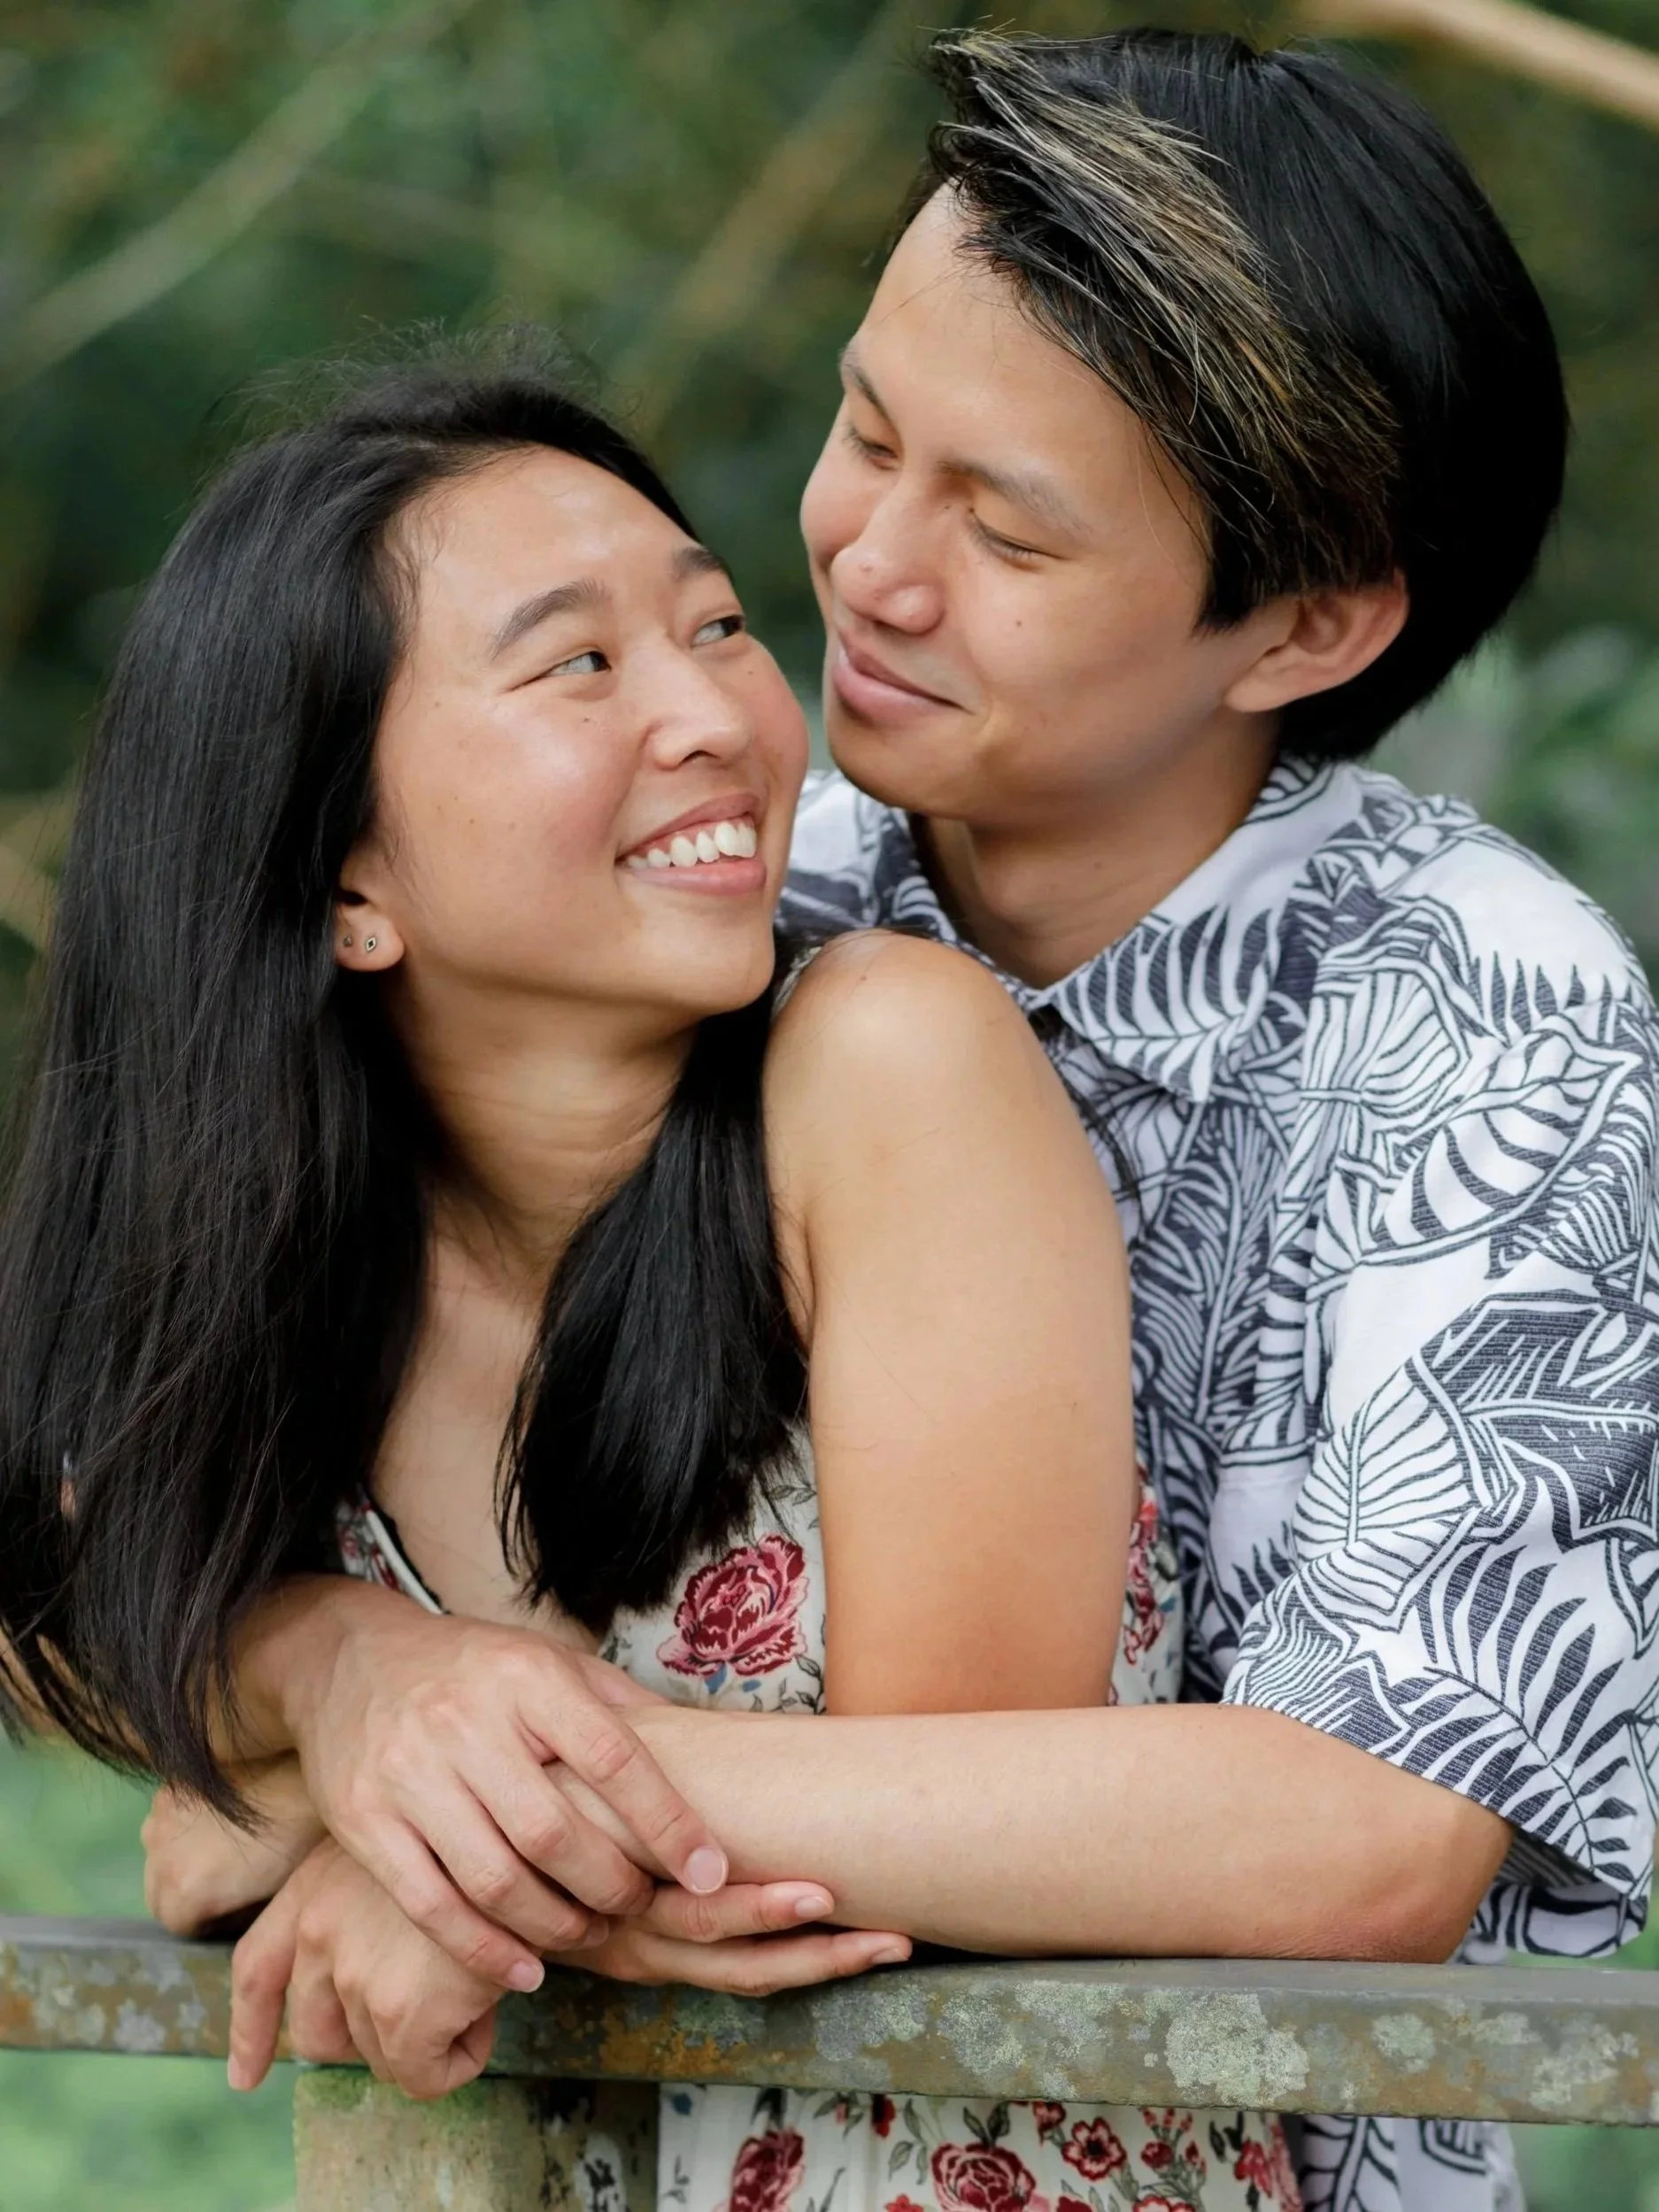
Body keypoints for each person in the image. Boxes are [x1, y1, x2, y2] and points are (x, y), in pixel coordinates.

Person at [62, 26, 1659, 2212]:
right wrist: (350, 1683)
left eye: (1002, 526)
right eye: (866, 432)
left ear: (1305, 623)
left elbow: (1366, 1831)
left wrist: (481, 1833)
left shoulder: (1483, 1015)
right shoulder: (714, 894)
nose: (868, 566)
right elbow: (113, 1519)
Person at [0, 344, 1292, 2207]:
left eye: (714, 627)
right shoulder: (277, 1236)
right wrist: (345, 1670)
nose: (714, 714)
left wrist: (403, 1845)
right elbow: (87, 1605)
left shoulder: (885, 1065)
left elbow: (940, 1831)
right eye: (580, 664)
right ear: (345, 876)